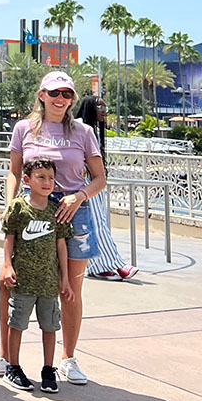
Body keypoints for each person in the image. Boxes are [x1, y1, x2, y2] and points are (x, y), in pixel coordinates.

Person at [0, 71, 106, 386]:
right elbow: (14, 172)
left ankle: (68, 358)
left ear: (73, 99)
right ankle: (6, 357)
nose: (61, 99)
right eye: (55, 93)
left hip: (72, 211)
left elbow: (100, 178)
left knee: (69, 288)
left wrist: (79, 195)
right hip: (31, 209)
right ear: (42, 94)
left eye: (67, 94)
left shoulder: (84, 132)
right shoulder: (24, 128)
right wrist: (9, 204)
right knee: (9, 281)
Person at [1, 158, 73, 393]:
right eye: (41, 177)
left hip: (49, 283)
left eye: (51, 178)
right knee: (17, 323)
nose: (47, 182)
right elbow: (9, 237)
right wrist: (7, 265)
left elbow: (61, 246)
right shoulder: (19, 208)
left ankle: (48, 369)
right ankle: (13, 367)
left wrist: (65, 279)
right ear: (27, 180)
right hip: (22, 281)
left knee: (50, 326)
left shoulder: (56, 211)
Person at [76, 96, 138, 281]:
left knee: (95, 224)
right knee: (97, 224)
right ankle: (117, 264)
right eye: (99, 106)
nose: (103, 110)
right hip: (84, 184)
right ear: (89, 108)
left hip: (95, 183)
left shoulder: (92, 129)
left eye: (105, 106)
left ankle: (97, 266)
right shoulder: (79, 127)